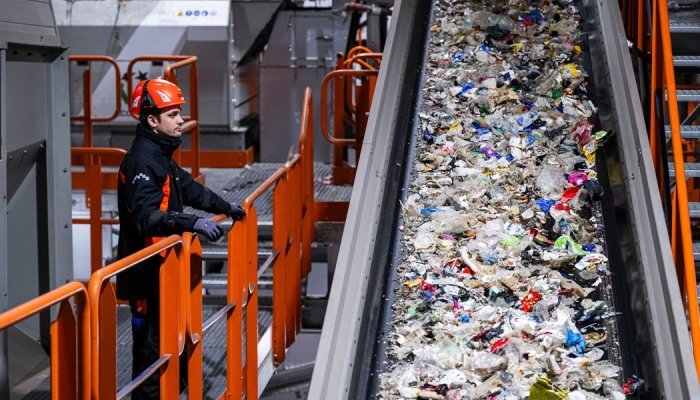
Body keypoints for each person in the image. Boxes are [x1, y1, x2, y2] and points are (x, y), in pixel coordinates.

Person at [116, 78, 246, 399]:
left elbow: (187, 188)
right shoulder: (141, 161)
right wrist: (193, 223)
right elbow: (146, 217)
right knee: (150, 360)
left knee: (174, 348)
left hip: (166, 271)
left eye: (179, 114)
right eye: (173, 115)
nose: (181, 122)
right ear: (152, 120)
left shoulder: (160, 155)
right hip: (148, 275)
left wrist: (224, 207)